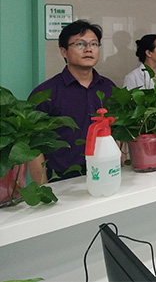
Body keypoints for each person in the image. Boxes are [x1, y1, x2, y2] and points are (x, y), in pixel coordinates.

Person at [28, 20, 116, 182]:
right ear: (64, 51)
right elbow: (33, 146)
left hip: (106, 175)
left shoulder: (109, 88)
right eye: (80, 44)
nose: (88, 49)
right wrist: (43, 188)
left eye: (94, 44)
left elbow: (118, 132)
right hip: (63, 181)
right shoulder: (46, 93)